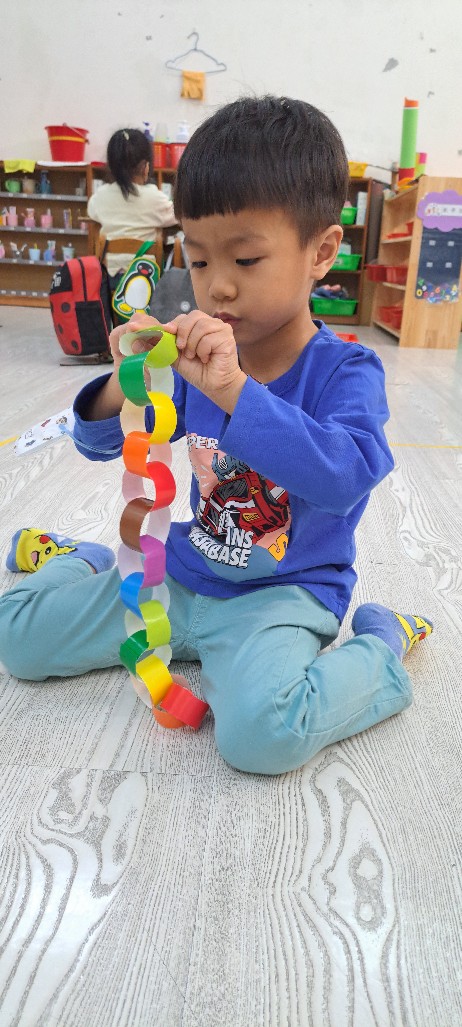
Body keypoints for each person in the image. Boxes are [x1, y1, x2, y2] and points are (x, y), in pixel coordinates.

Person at [0, 96, 433, 775]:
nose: (217, 288)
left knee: (262, 736)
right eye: (198, 262)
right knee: (18, 640)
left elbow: (345, 475)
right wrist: (127, 375)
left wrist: (234, 390)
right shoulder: (193, 357)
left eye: (246, 260)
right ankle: (75, 557)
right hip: (180, 572)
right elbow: (100, 443)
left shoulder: (346, 371)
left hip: (280, 595)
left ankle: (380, 645)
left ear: (321, 252)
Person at [87, 127, 177, 281]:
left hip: (111, 276)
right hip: (145, 277)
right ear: (145, 167)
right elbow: (177, 214)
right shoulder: (153, 197)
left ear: (111, 166)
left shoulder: (101, 195)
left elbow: (91, 211)